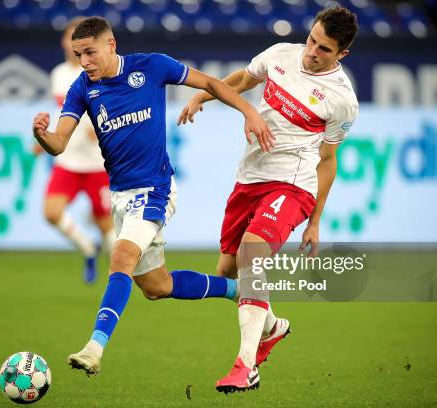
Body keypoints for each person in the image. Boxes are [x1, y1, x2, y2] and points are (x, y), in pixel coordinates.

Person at [32, 16, 275, 376]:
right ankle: (239, 291)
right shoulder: (82, 88)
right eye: (78, 54)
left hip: (155, 190)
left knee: (122, 257)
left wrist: (249, 110)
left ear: (111, 45)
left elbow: (208, 82)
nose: (83, 62)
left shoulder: (151, 66)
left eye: (90, 53)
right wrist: (41, 133)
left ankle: (94, 347)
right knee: (157, 286)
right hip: (120, 196)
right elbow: (58, 144)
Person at [179, 6, 359, 393]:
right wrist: (202, 98)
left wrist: (314, 221)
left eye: (324, 49)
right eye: (312, 40)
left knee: (252, 254)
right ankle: (273, 326)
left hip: (293, 185)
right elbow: (244, 78)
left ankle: (245, 366)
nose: (312, 51)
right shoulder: (280, 54)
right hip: (249, 178)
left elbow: (328, 161)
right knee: (228, 270)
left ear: (341, 54)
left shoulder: (342, 101)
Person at [38, 17, 115, 283]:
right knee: (51, 212)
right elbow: (63, 111)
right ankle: (87, 247)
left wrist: (103, 126)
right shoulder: (58, 74)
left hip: (97, 162)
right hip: (69, 160)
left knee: (107, 225)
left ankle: (119, 275)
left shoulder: (100, 71)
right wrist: (45, 138)